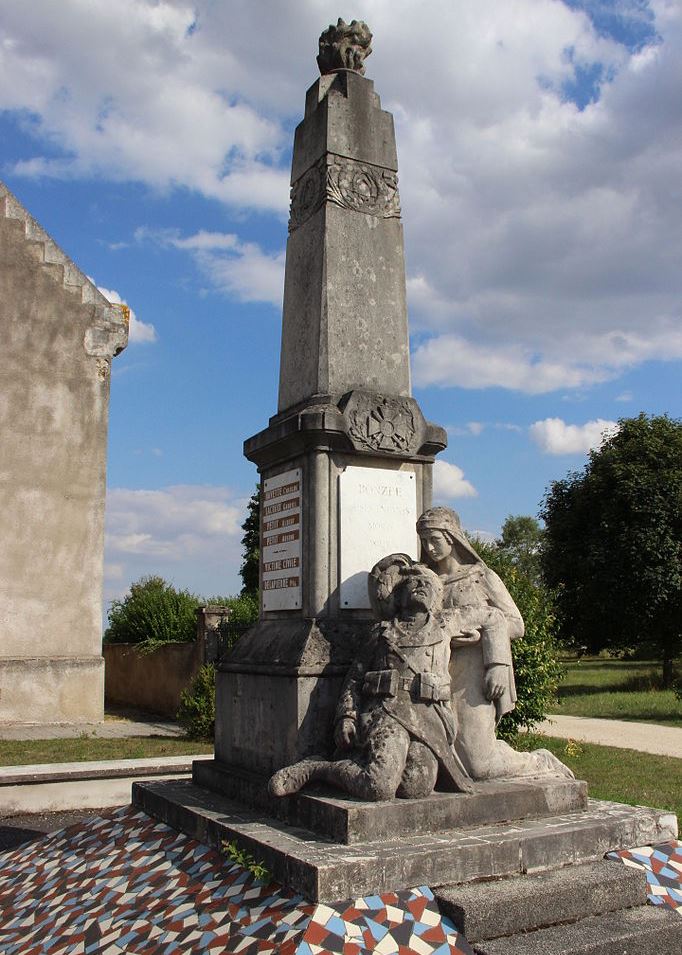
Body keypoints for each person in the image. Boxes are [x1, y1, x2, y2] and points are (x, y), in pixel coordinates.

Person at [268, 558, 474, 801]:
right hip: (387, 713)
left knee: (415, 787)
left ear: (435, 597)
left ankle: (358, 761)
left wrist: (496, 660)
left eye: (427, 583)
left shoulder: (445, 629)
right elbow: (355, 678)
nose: (420, 585)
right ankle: (317, 769)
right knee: (379, 787)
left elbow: (494, 616)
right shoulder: (381, 632)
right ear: (398, 596)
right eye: (413, 582)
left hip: (428, 719)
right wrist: (346, 716)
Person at [417, 506, 572, 781]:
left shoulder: (480, 576)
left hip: (474, 670)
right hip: (436, 671)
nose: (429, 547)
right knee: (445, 756)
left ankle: (538, 762)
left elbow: (515, 623)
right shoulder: (427, 582)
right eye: (424, 540)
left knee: (478, 764)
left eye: (435, 539)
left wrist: (488, 646)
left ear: (451, 537)